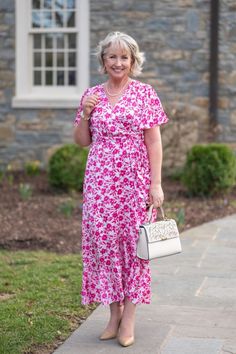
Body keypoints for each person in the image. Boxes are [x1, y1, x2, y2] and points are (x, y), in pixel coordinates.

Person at [74, 31, 168, 347]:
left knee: (134, 247)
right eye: (112, 56)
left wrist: (156, 184)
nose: (118, 62)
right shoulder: (92, 95)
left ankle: (129, 317)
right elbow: (81, 141)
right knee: (104, 245)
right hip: (99, 183)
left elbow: (154, 140)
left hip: (135, 183)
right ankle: (112, 314)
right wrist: (86, 113)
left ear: (133, 61)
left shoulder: (145, 93)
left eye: (124, 57)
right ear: (103, 61)